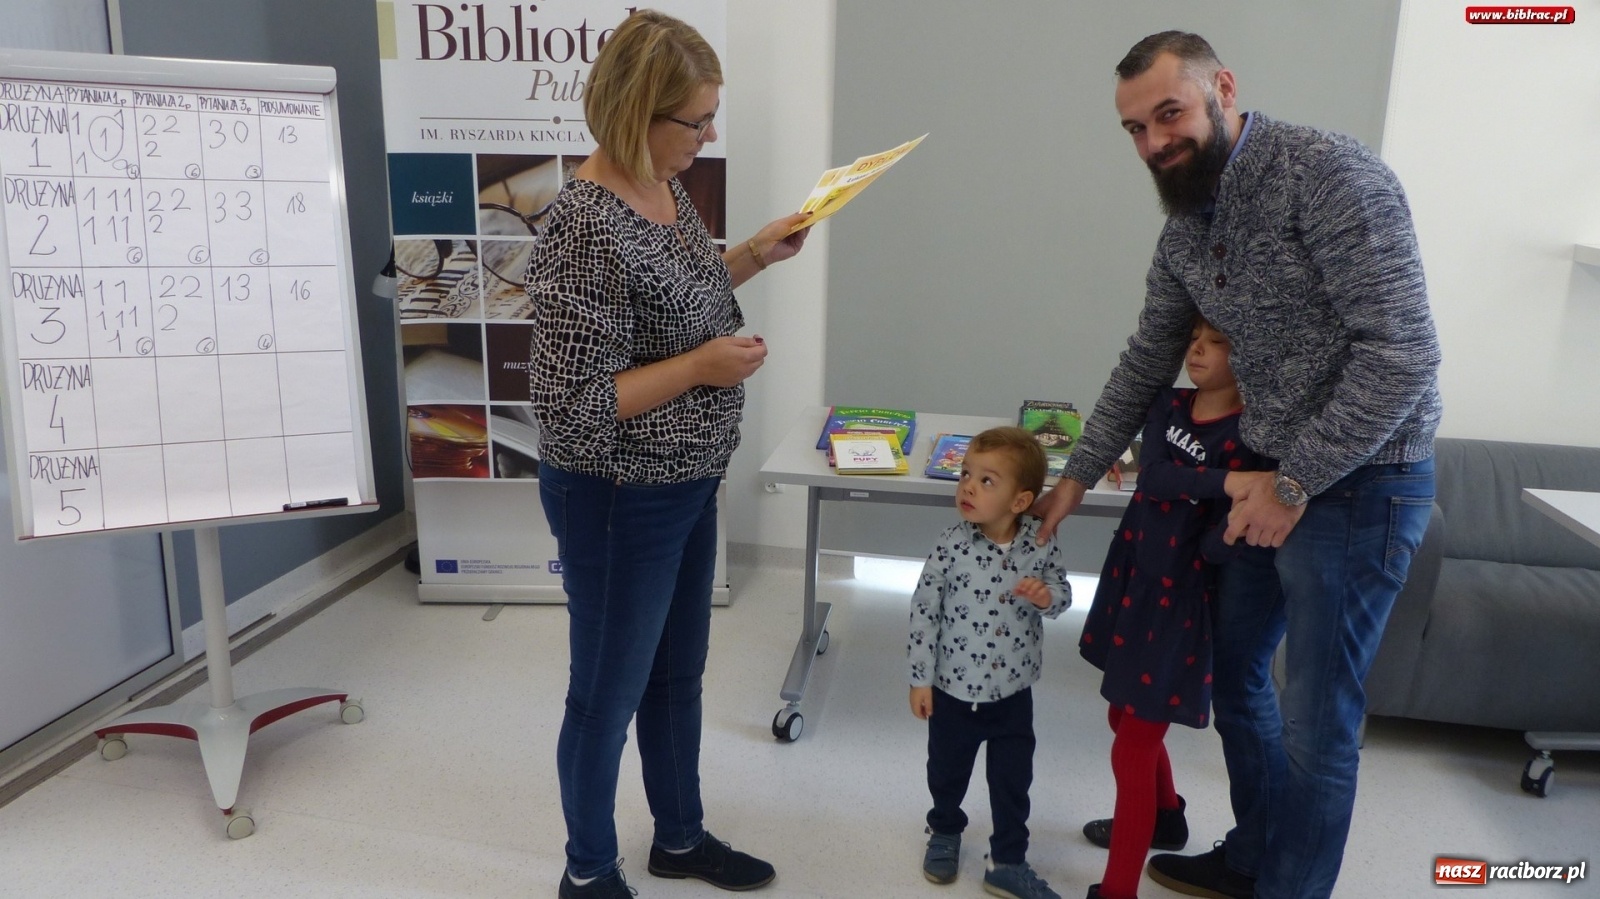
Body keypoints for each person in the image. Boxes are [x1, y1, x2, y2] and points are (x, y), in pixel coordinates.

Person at [1032, 31, 1441, 899]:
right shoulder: (1189, 222)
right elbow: (1148, 358)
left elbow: (1401, 353)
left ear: (1223, 88)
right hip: (1265, 477)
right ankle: (1253, 856)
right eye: (1135, 129)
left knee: (1317, 720)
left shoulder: (1330, 177)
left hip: (1365, 481)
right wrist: (1076, 473)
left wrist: (1295, 484)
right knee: (1235, 675)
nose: (1153, 143)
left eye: (1168, 114)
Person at [525, 10, 810, 899]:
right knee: (606, 694)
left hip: (686, 479)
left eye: (712, 116)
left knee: (678, 677)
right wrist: (697, 368)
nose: (708, 135)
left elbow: (685, 296)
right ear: (636, 112)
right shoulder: (582, 224)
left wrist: (756, 252)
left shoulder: (663, 185)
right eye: (696, 120)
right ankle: (588, 870)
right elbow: (572, 408)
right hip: (617, 494)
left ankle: (679, 838)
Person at [1077, 318, 1273, 899]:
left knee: (1134, 743)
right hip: (1134, 578)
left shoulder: (1252, 436)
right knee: (1122, 718)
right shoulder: (1169, 405)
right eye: (1194, 340)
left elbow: (1219, 541)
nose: (1197, 350)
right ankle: (1166, 817)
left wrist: (1225, 529)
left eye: (1216, 342)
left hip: (1181, 606)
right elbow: (1156, 477)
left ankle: (1118, 890)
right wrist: (1228, 483)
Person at [908, 427, 1072, 899]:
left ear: (1020, 501)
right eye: (965, 475)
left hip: (1013, 694)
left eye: (985, 480)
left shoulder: (1040, 542)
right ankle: (944, 830)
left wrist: (1046, 597)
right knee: (946, 771)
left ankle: (1008, 860)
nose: (967, 487)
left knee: (1013, 781)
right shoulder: (951, 545)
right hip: (952, 691)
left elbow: (1063, 593)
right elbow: (923, 613)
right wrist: (920, 680)